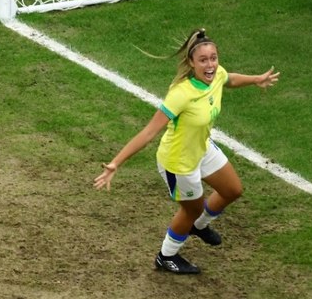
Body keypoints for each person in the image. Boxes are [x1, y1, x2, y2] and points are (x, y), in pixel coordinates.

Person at [94, 28, 280, 274]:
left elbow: (229, 78)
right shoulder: (181, 94)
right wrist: (116, 163)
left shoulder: (216, 75)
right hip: (178, 161)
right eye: (203, 60)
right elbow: (149, 132)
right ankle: (166, 256)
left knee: (232, 190)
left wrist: (256, 79)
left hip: (202, 147)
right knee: (192, 208)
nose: (210, 64)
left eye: (213, 58)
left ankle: (198, 226)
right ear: (192, 63)